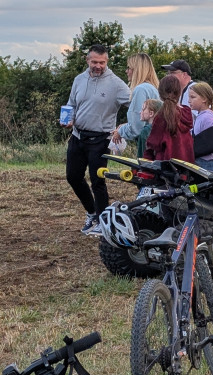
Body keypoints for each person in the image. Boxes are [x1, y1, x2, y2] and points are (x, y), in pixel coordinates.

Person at [63, 44, 130, 236]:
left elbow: (134, 104)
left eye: (102, 62)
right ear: (87, 60)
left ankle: (102, 221)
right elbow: (71, 104)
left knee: (97, 180)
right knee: (73, 177)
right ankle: (92, 212)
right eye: (94, 62)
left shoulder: (116, 84)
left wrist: (124, 126)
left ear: (107, 61)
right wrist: (68, 119)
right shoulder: (79, 79)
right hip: (77, 136)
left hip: (101, 139)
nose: (98, 66)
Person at [111, 53, 160, 149]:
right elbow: (147, 119)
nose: (126, 71)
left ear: (137, 70)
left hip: (146, 145)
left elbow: (137, 127)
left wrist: (120, 131)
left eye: (129, 68)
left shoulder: (140, 90)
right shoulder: (152, 88)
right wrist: (125, 126)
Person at [143, 74, 195, 162]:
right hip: (186, 166)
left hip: (166, 167)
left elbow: (153, 144)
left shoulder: (162, 116)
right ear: (180, 92)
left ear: (160, 94)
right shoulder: (187, 113)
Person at [188, 82, 213, 172]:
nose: (189, 101)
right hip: (201, 160)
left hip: (205, 163)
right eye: (189, 97)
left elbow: (209, 142)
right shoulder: (201, 115)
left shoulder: (207, 117)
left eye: (193, 97)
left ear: (204, 99)